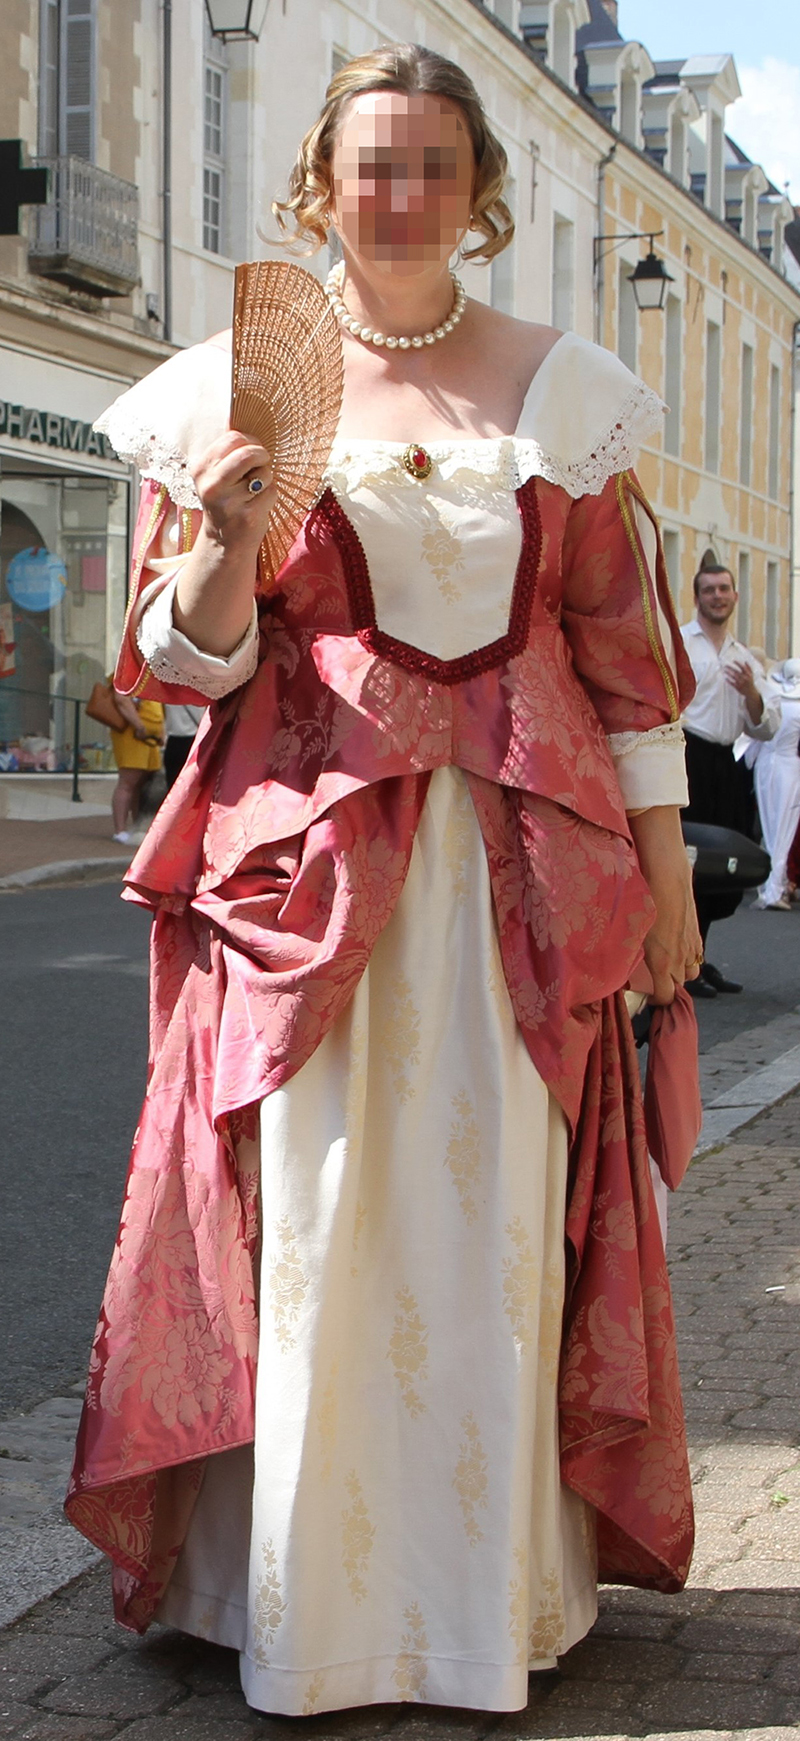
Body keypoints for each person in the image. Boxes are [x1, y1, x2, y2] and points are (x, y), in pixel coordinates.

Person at [67, 45, 701, 1718]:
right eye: (369, 160)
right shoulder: (229, 389)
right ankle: (305, 1600)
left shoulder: (564, 392)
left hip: (514, 884)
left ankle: (484, 1600)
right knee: (317, 1223)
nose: (398, 190)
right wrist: (210, 541)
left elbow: (618, 658)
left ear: (480, 190)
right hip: (303, 877)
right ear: (318, 183)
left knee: (492, 1230)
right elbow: (175, 671)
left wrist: (667, 878)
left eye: (430, 161)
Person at [680, 566, 779, 996]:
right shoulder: (681, 644)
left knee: (723, 866)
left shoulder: (744, 658)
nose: (717, 596)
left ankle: (700, 958)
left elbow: (767, 727)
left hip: (725, 762)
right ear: (697, 596)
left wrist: (751, 694)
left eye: (723, 590)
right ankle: (684, 963)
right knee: (688, 862)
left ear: (735, 597)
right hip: (687, 756)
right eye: (708, 590)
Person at [749, 659, 800, 910]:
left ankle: (771, 884)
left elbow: (755, 735)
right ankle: (775, 887)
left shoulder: (773, 699)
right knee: (784, 828)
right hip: (789, 766)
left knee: (770, 827)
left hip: (765, 763)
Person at [108, 688, 164, 843]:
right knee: (128, 782)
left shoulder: (150, 674)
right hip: (133, 734)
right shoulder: (130, 674)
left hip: (149, 737)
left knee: (141, 783)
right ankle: (120, 830)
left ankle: (136, 826)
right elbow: (122, 700)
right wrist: (139, 725)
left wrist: (160, 732)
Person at [162, 701, 205, 788]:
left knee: (173, 783)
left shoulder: (169, 691)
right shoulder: (197, 694)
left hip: (173, 740)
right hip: (194, 740)